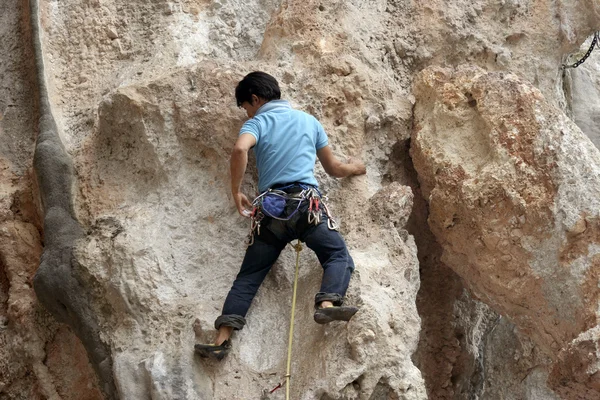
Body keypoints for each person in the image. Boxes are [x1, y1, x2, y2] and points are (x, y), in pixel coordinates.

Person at [195, 71, 366, 360]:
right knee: (337, 256)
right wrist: (357, 168)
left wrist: (236, 192)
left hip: (270, 213)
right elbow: (334, 168)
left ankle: (221, 340)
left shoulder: (257, 122)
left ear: (255, 98)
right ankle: (326, 305)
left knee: (248, 277)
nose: (247, 112)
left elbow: (240, 148)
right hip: (306, 207)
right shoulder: (309, 121)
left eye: (246, 106)